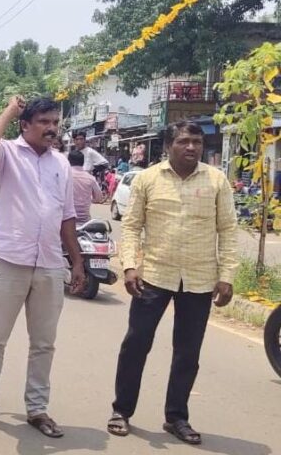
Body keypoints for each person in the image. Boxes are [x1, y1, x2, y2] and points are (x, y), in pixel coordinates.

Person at [108, 121, 237, 445]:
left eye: (196, 141)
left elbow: (228, 230)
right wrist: (129, 266)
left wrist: (227, 276)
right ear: (168, 146)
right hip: (153, 275)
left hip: (199, 279)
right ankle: (122, 411)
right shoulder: (148, 179)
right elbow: (132, 225)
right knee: (136, 343)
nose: (191, 147)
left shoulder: (216, 180)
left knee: (188, 352)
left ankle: (177, 417)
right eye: (183, 141)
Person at [0, 96, 86, 438]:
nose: (52, 128)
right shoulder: (6, 153)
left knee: (44, 344)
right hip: (9, 260)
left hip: (49, 264)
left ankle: (37, 409)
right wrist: (9, 110)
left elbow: (66, 216)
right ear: (25, 125)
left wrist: (77, 260)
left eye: (55, 122)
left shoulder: (61, 163)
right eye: (44, 122)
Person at [68, 149, 104, 225]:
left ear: (68, 161)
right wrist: (89, 199)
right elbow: (99, 198)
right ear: (83, 162)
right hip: (85, 221)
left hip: (67, 220)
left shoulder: (65, 176)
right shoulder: (90, 178)